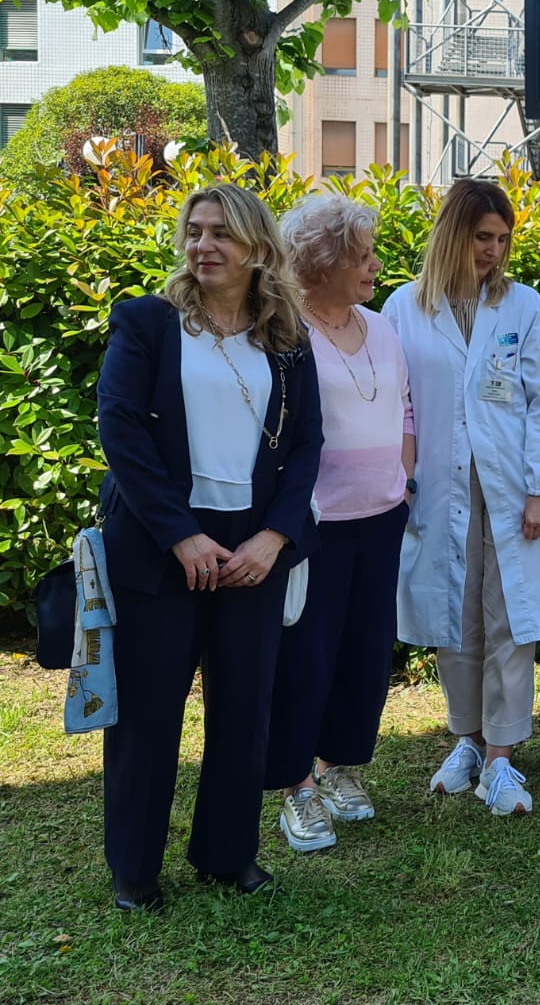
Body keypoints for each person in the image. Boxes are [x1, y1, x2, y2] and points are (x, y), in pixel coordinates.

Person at [96, 183, 321, 911]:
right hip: (163, 541)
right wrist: (180, 535)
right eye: (195, 231)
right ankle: (135, 867)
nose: (204, 246)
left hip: (251, 545)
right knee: (148, 713)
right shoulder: (147, 324)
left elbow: (308, 446)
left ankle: (228, 855)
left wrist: (275, 535)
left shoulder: (286, 341)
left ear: (258, 248)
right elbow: (121, 432)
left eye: (221, 233)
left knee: (244, 708)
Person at [382, 179, 540, 817]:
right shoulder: (404, 307)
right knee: (453, 621)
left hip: (513, 492)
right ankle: (465, 739)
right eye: (482, 236)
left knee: (509, 623)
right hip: (438, 489)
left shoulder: (524, 307)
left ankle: (502, 758)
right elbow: (393, 404)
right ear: (452, 234)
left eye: (502, 239)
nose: (493, 250)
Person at [264, 195, 411, 851]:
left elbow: (405, 408)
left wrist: (401, 478)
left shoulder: (381, 326)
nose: (375, 266)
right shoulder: (284, 331)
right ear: (321, 262)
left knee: (363, 654)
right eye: (362, 256)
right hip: (316, 523)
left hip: (382, 516)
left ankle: (338, 767)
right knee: (306, 657)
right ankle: (296, 786)